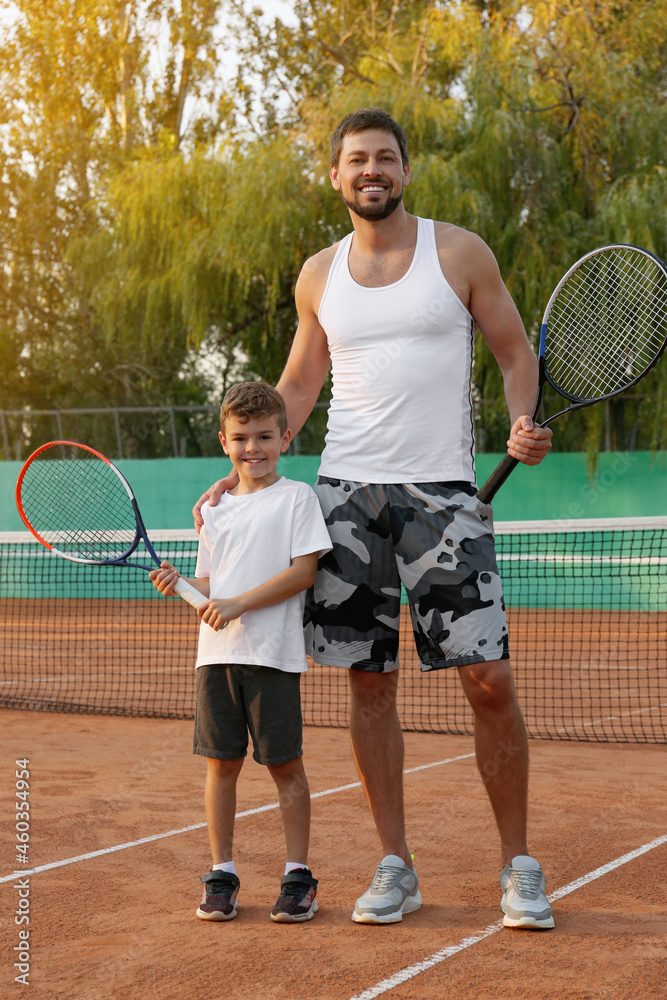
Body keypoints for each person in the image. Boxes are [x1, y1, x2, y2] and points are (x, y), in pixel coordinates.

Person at [193, 108, 555, 929]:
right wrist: (237, 468)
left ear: (403, 169)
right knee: (368, 685)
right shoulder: (318, 275)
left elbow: (513, 354)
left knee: (488, 681)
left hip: (443, 496)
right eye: (356, 160)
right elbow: (296, 386)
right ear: (335, 175)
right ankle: (394, 865)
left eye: (385, 158)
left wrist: (523, 421)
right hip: (345, 497)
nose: (371, 171)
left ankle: (519, 868)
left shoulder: (458, 252)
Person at [153, 381, 332, 923]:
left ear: (285, 437)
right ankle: (222, 874)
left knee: (286, 767)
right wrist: (182, 585)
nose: (252, 448)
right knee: (221, 767)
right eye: (240, 438)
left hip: (273, 657)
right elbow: (209, 587)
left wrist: (238, 605)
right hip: (216, 659)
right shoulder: (214, 510)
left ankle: (297, 878)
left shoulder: (297, 498)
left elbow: (304, 572)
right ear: (224, 441)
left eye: (263, 437)